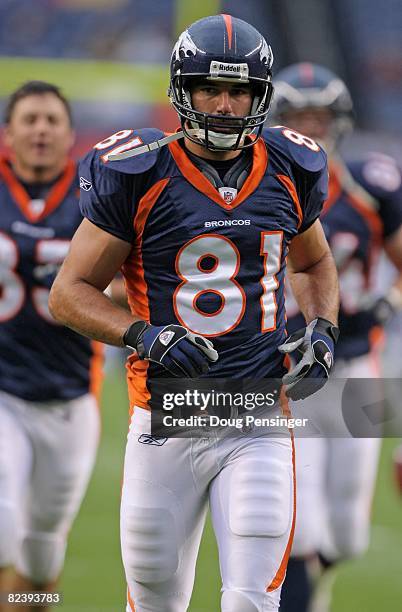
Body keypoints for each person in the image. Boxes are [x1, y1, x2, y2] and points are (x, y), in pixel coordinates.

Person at [49, 15, 340, 612]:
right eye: (211, 88)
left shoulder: (290, 167)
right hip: (165, 417)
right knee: (155, 602)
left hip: (257, 415)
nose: (226, 105)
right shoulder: (137, 172)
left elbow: (312, 266)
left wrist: (322, 332)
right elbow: (70, 292)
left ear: (261, 98)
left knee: (252, 601)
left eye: (240, 91)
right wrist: (143, 335)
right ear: (184, 89)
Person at [270, 63, 402, 612]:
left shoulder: (370, 186)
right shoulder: (260, 194)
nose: (309, 128)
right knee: (299, 529)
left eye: (317, 117)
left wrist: (389, 300)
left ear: (339, 122)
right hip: (289, 376)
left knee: (348, 536)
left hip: (358, 370)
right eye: (297, 117)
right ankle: (300, 596)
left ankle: (313, 585)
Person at [0, 81, 103, 611]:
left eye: (51, 120)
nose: (40, 129)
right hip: (3, 390)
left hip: (68, 396)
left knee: (41, 563)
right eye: (29, 119)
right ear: (8, 131)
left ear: (70, 134)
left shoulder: (99, 194)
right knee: (1, 525)